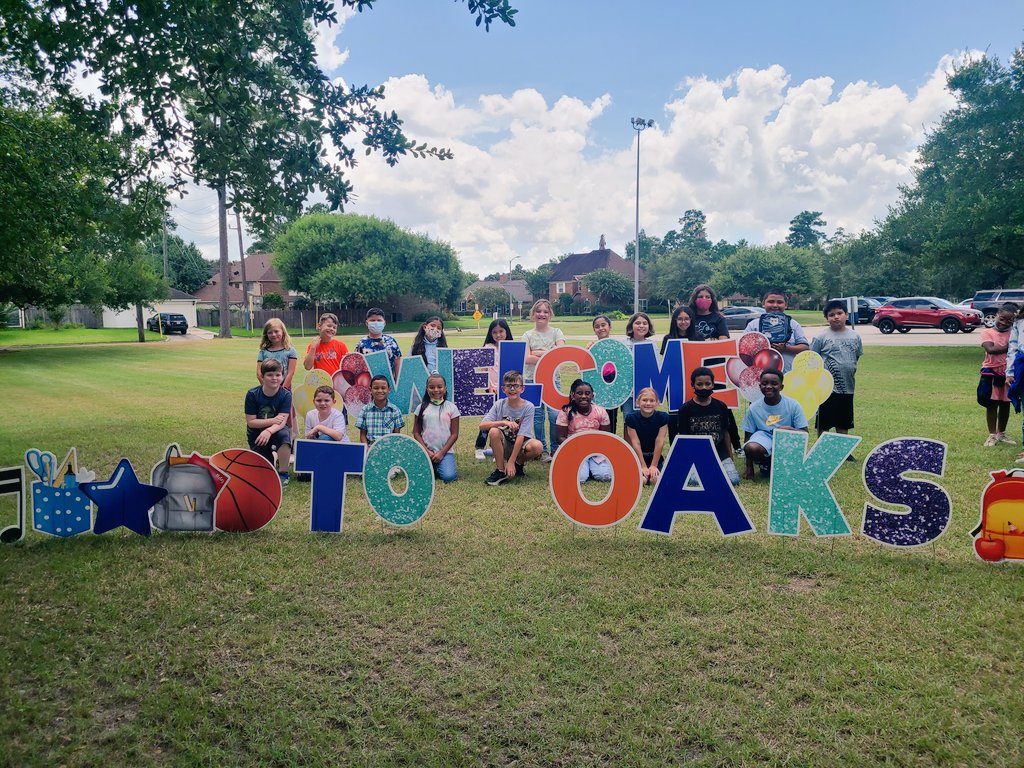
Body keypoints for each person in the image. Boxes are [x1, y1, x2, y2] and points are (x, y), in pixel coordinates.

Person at [811, 300, 864, 445]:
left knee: (844, 420)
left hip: (847, 386)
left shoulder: (855, 336)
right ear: (826, 318)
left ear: (846, 315)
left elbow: (857, 356)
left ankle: (842, 450)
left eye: (840, 313)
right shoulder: (821, 337)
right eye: (831, 314)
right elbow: (812, 358)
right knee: (824, 421)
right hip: (826, 388)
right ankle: (822, 447)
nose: (836, 317)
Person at [677, 367, 741, 486]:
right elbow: (684, 438)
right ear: (693, 385)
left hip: (719, 453)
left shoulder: (721, 406)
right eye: (699, 384)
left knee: (734, 480)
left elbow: (726, 433)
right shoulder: (685, 409)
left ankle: (713, 473)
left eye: (707, 384)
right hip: (696, 455)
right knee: (694, 481)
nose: (704, 387)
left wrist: (730, 458)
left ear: (713, 384)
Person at [741, 368, 808, 480]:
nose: (768, 386)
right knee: (751, 447)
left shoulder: (793, 405)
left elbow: (805, 433)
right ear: (760, 386)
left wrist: (790, 429)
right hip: (764, 438)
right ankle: (766, 464)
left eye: (774, 383)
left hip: (785, 439)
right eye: (764, 383)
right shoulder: (753, 408)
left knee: (787, 474)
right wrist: (749, 467)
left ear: (781, 387)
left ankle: (778, 464)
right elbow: (747, 437)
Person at [479, 370, 543, 486]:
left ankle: (518, 465)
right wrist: (503, 422)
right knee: (494, 431)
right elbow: (482, 425)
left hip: (520, 444)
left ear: (522, 389)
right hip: (503, 445)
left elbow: (521, 435)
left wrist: (512, 461)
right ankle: (500, 471)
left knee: (537, 446)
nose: (512, 389)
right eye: (508, 386)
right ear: (503, 389)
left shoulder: (528, 407)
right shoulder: (499, 404)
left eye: (516, 386)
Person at [522, 299, 565, 462]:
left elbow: (560, 353)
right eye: (538, 311)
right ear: (533, 314)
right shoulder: (527, 335)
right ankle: (543, 450)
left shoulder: (557, 332)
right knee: (537, 417)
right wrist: (549, 352)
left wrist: (537, 352)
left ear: (550, 315)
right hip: (532, 379)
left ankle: (556, 449)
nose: (542, 314)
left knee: (555, 415)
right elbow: (526, 358)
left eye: (545, 311)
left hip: (553, 380)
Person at [245, 359, 293, 486]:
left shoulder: (286, 395)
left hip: (275, 430)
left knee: (284, 436)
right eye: (270, 375)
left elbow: (281, 422)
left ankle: (283, 472)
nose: (274, 378)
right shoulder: (252, 394)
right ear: (262, 376)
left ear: (282, 376)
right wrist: (272, 420)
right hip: (257, 433)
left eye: (278, 375)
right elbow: (251, 422)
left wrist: (268, 430)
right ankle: (271, 460)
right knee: (265, 472)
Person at [555, 379, 612, 483]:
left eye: (587, 393)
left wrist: (594, 448)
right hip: (574, 450)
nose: (583, 396)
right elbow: (560, 438)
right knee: (580, 478)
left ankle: (590, 467)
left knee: (605, 476)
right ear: (573, 395)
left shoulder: (600, 411)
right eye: (579, 393)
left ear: (592, 396)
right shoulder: (566, 412)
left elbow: (606, 436)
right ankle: (584, 468)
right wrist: (578, 447)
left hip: (596, 451)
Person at [744, 288, 809, 371]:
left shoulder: (793, 324)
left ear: (786, 305)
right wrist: (763, 347)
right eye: (771, 302)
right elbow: (743, 348)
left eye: (779, 302)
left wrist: (786, 348)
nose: (775, 305)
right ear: (763, 303)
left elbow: (805, 348)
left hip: (787, 374)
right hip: (761, 376)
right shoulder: (753, 325)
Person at [412, 373, 460, 482]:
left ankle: (438, 466)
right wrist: (427, 451)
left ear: (445, 388)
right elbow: (416, 433)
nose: (436, 390)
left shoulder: (451, 408)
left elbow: (454, 434)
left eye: (439, 386)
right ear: (427, 388)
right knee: (420, 477)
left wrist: (441, 453)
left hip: (445, 452)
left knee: (449, 477)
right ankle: (433, 466)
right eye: (432, 387)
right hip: (426, 451)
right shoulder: (421, 408)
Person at [475, 319, 512, 459]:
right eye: (495, 332)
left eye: (501, 331)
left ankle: (501, 448)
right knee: (488, 419)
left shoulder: (511, 347)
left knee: (506, 420)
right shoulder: (488, 347)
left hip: (507, 391)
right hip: (492, 391)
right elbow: (484, 370)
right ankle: (479, 447)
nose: (498, 335)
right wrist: (487, 387)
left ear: (507, 332)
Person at [979, 304, 1015, 447]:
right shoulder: (987, 333)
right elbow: (991, 349)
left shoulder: (1013, 333)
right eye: (1002, 319)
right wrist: (1012, 346)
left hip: (1008, 374)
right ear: (997, 314)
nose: (1004, 323)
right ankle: (992, 435)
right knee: (992, 404)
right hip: (991, 373)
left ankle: (1001, 434)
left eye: (1009, 321)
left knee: (1005, 404)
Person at [660, 306, 694, 442]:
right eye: (680, 319)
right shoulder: (668, 338)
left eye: (686, 319)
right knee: (675, 415)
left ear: (691, 320)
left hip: (692, 382)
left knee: (692, 414)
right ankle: (675, 445)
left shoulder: (697, 337)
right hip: (673, 383)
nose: (683, 322)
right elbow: (665, 362)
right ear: (674, 320)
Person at [624, 387, 669, 485]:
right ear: (637, 402)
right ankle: (641, 473)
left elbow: (659, 441)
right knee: (642, 480)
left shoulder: (663, 417)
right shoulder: (631, 419)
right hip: (638, 457)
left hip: (655, 457)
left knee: (655, 480)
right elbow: (636, 443)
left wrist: (654, 465)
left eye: (652, 400)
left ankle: (653, 470)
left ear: (657, 403)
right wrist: (643, 466)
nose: (648, 403)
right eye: (644, 400)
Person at [621, 312, 655, 435]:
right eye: (638, 323)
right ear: (631, 326)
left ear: (649, 327)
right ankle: (627, 451)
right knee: (628, 422)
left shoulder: (652, 345)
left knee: (645, 423)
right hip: (628, 394)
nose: (641, 326)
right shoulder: (624, 344)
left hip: (645, 393)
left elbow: (655, 368)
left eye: (645, 323)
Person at [588, 314, 619, 434]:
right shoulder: (591, 347)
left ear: (610, 327)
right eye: (597, 326)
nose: (600, 328)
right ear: (594, 330)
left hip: (613, 386)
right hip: (598, 387)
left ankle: (611, 444)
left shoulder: (618, 346)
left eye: (603, 325)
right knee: (596, 417)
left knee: (611, 418)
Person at [357, 375, 405, 445]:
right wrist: (367, 448)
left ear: (389, 390)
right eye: (376, 388)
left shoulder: (395, 410)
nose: (380, 391)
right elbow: (362, 435)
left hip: (388, 449)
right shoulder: (365, 410)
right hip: (370, 449)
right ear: (370, 390)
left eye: (383, 388)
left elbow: (396, 436)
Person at [355, 308, 402, 378]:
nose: (376, 322)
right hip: (369, 384)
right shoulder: (361, 344)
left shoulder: (391, 341)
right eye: (372, 320)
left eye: (379, 320)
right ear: (367, 323)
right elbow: (358, 366)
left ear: (384, 323)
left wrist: (398, 382)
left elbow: (397, 364)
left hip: (388, 384)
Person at [256, 318, 297, 391]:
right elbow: (259, 373)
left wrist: (282, 391)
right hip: (268, 389)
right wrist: (268, 388)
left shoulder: (290, 351)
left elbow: (290, 373)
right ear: (266, 335)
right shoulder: (263, 352)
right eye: (270, 332)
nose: (273, 334)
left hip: (285, 388)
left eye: (276, 331)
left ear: (283, 332)